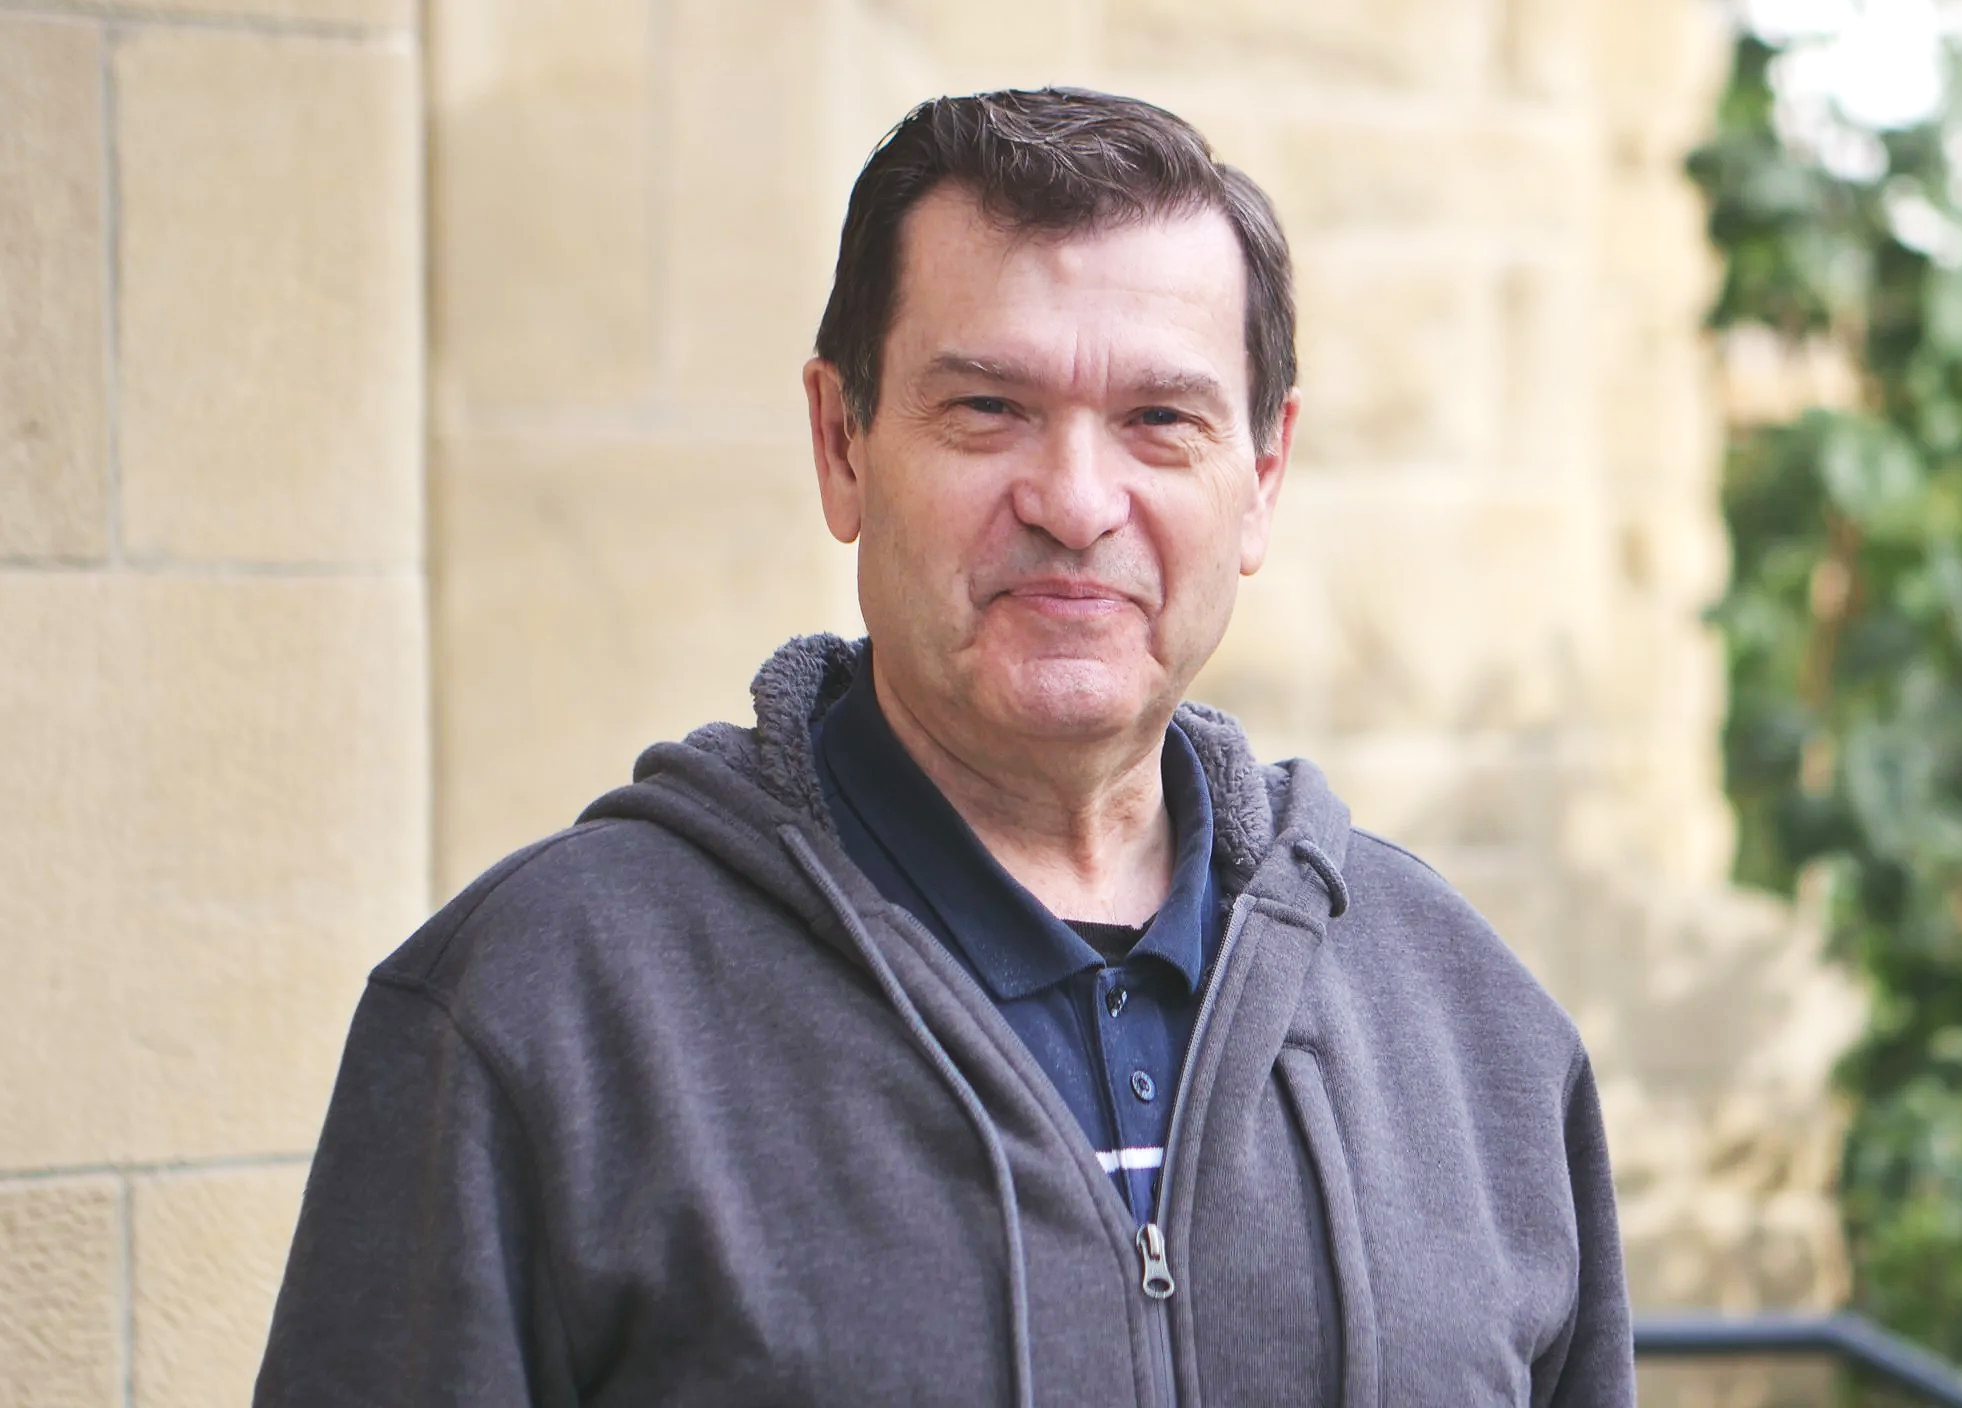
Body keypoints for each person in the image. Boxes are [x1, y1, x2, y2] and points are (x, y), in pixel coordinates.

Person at [255, 87, 1631, 1407]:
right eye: (988, 409)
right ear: (842, 443)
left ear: (1260, 476)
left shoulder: (1473, 1032)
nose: (1078, 501)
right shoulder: (538, 1016)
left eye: (1160, 419)